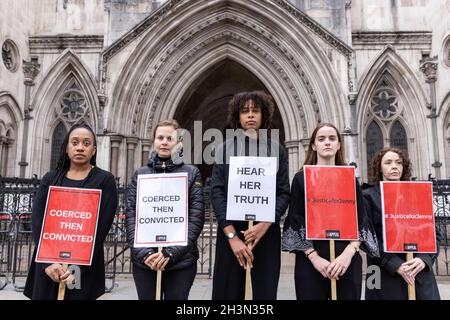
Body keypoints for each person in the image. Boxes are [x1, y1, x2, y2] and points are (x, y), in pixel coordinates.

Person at [282, 123, 379, 300]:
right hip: (311, 260)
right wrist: (314, 258)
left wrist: (348, 253)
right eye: (321, 139)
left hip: (346, 260)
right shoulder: (301, 179)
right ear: (313, 145)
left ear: (339, 144)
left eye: (332, 138)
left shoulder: (349, 178)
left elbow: (361, 219)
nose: (327, 142)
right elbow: (296, 218)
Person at [211, 91, 290, 300]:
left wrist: (265, 224)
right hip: (232, 233)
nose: (250, 115)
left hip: (265, 232)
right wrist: (232, 237)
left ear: (263, 115)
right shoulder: (223, 149)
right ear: (237, 117)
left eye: (255, 110)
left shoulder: (277, 150)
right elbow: (217, 192)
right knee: (227, 294)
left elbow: (283, 192)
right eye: (245, 111)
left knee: (265, 294)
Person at [24, 123, 118, 300]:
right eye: (75, 142)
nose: (80, 147)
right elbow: (38, 222)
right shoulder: (51, 179)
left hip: (82, 267)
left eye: (86, 143)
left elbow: (101, 229)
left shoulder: (105, 180)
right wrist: (48, 262)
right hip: (48, 264)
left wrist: (76, 267)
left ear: (94, 150)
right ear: (67, 148)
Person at [125, 119, 204, 300]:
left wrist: (171, 252)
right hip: (145, 261)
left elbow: (196, 217)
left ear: (179, 143)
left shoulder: (191, 173)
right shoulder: (140, 174)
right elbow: (131, 215)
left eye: (170, 138)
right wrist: (144, 253)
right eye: (160, 137)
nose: (164, 142)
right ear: (154, 141)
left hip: (180, 261)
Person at [363, 147, 440, 300]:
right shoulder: (367, 196)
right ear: (379, 167)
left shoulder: (417, 193)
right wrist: (395, 264)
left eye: (399, 163)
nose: (394, 166)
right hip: (379, 270)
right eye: (388, 162)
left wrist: (424, 259)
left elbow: (433, 233)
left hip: (417, 268)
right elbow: (366, 237)